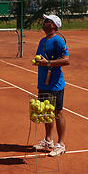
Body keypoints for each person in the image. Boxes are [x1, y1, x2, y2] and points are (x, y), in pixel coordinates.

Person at [32, 14, 69, 157]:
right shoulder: (42, 40)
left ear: (53, 25)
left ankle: (61, 144)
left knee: (57, 113)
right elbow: (41, 58)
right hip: (43, 83)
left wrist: (47, 63)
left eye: (46, 21)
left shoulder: (58, 40)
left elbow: (66, 60)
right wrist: (38, 61)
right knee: (46, 112)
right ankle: (48, 141)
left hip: (55, 84)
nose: (43, 22)